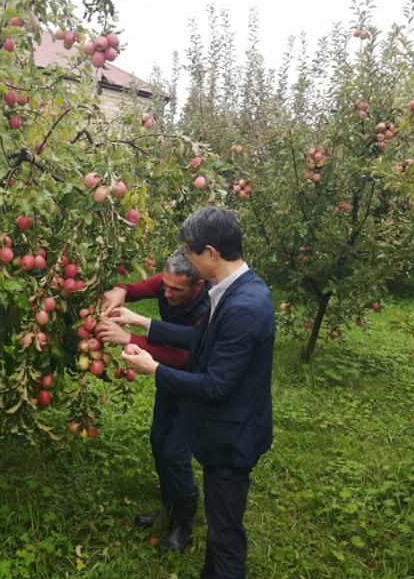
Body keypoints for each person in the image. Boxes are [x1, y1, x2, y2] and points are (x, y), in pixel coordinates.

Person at [114, 206, 274, 578]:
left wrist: (154, 368)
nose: (187, 258)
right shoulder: (234, 290)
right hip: (223, 429)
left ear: (211, 253)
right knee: (220, 531)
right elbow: (197, 338)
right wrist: (142, 325)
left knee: (225, 537)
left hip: (232, 438)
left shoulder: (244, 306)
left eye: (190, 251)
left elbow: (216, 385)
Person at [95, 249, 210, 550]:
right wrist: (119, 290)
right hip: (167, 377)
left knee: (175, 451)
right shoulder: (167, 282)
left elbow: (184, 356)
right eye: (165, 286)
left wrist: (130, 338)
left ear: (197, 285)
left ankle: (183, 527)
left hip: (195, 383)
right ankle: (169, 507)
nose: (167, 294)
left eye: (176, 290)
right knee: (159, 440)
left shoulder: (209, 306)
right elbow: (132, 289)